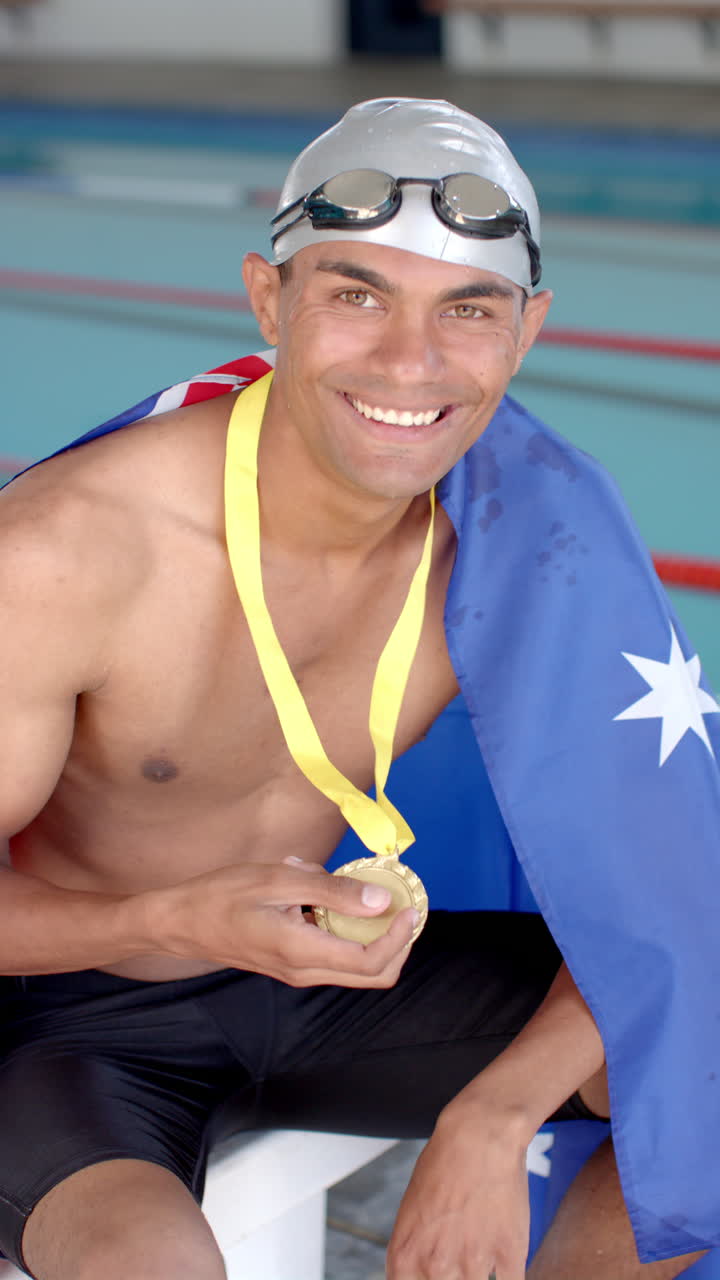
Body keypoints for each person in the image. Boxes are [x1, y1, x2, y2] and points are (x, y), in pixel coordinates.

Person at [0, 97, 718, 1280]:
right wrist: (163, 917)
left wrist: (494, 1116)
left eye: (467, 310)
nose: (409, 361)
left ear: (526, 330)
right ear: (269, 297)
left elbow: (672, 890)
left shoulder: (528, 548)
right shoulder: (68, 556)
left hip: (334, 977)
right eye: (357, 293)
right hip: (75, 1017)